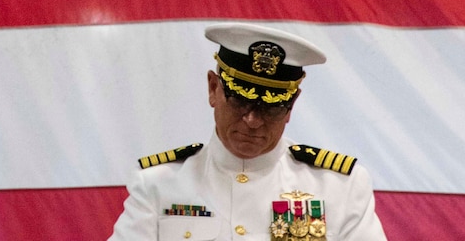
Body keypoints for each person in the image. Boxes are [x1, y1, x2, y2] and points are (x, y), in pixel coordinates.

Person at [108, 24, 388, 241]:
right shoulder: (159, 184)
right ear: (213, 89)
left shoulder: (340, 187)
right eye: (240, 100)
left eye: (271, 107)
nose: (252, 120)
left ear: (291, 105)